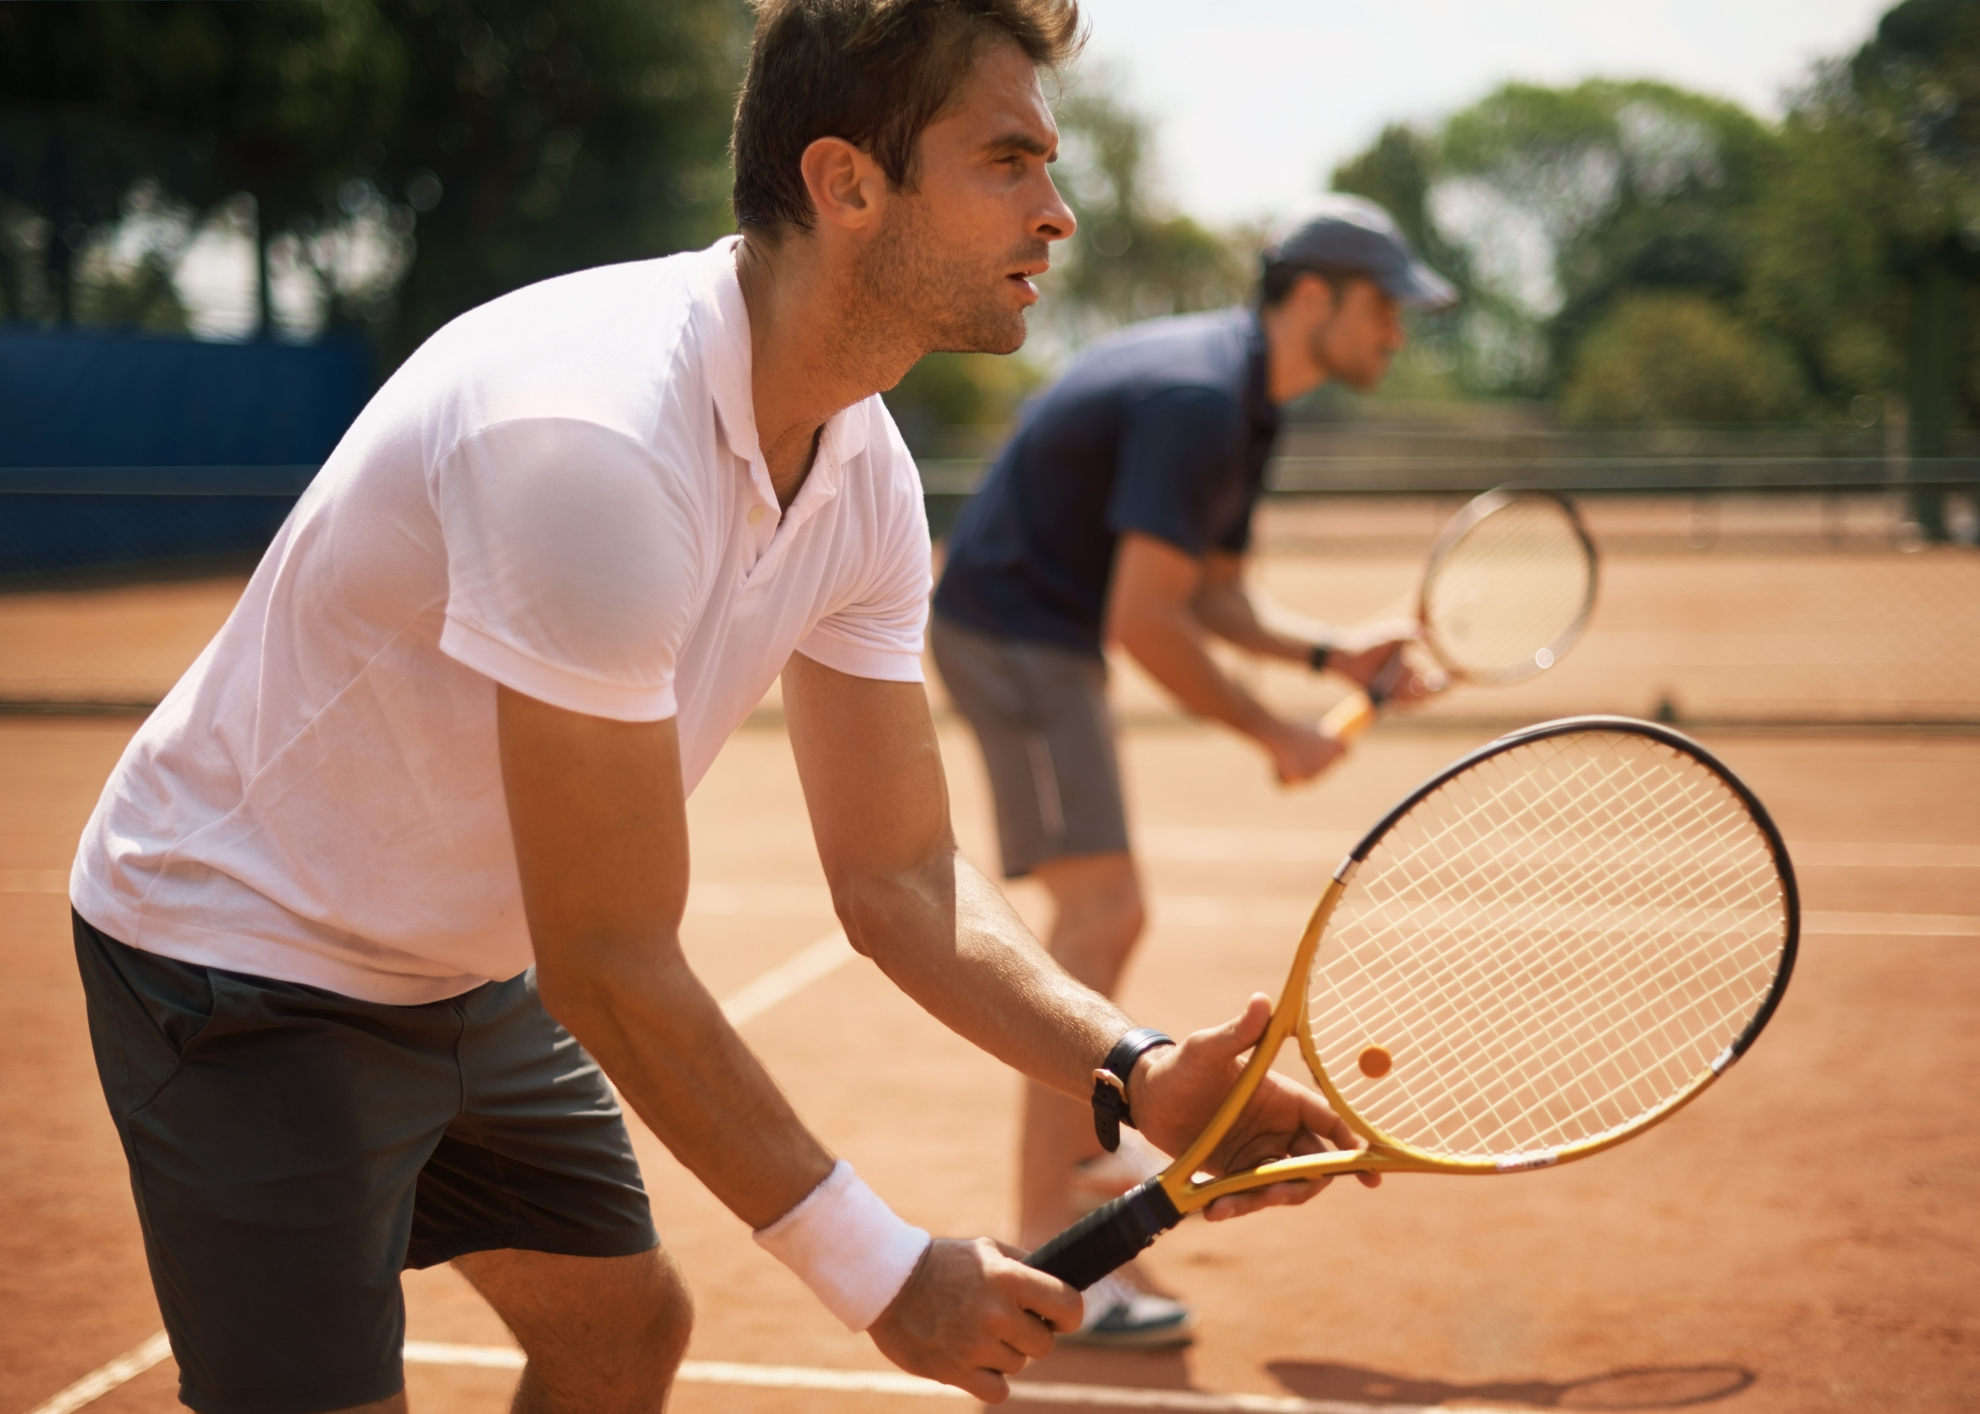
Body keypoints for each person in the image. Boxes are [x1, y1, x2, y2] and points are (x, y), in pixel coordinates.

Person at [65, 5, 1373, 1411]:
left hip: (452, 967)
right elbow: (612, 960)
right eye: (1007, 160)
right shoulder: (591, 444)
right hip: (238, 957)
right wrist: (882, 1270)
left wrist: (1137, 1067)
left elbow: (900, 877)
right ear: (846, 183)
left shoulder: (859, 462)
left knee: (623, 1336)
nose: (1056, 214)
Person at [930, 193, 1459, 1346]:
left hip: (1041, 631)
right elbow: (1147, 620)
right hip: (1012, 629)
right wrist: (1276, 731)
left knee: (1102, 914)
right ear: (1311, 295)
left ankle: (1065, 1192)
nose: (1397, 331)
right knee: (1099, 911)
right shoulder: (1202, 400)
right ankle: (1047, 1245)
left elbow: (1208, 591)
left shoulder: (1245, 398)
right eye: (1384, 306)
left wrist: (1331, 653)